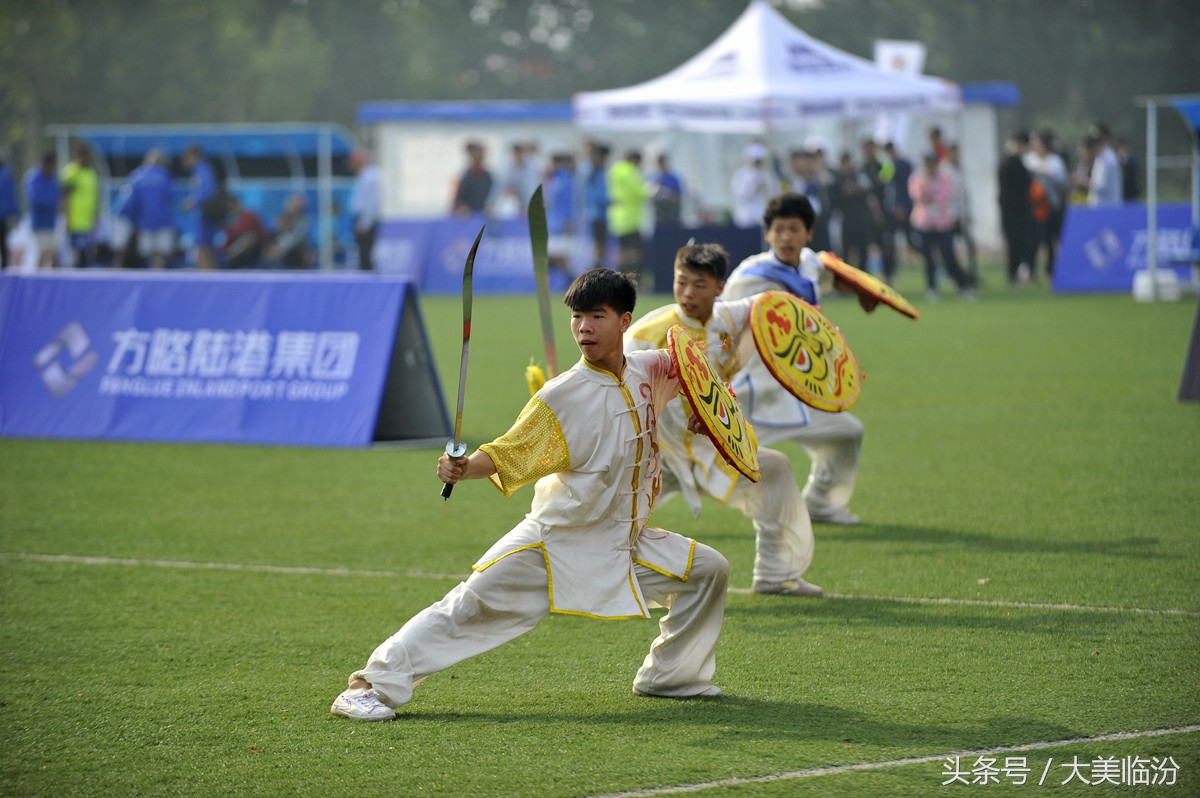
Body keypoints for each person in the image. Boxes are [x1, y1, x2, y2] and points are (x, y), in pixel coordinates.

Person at [330, 268, 729, 721]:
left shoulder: (650, 366)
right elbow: (509, 453)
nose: (584, 328)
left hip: (623, 542)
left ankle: (671, 676)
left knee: (708, 571)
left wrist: (704, 411)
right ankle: (370, 685)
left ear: (624, 321)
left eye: (597, 316)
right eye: (577, 317)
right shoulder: (562, 394)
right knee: (468, 606)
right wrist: (462, 468)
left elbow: (699, 376)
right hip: (557, 540)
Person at [626, 242, 822, 596]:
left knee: (773, 469)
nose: (687, 293)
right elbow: (611, 380)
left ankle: (775, 575)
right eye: (681, 281)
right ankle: (571, 575)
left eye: (699, 285)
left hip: (711, 449)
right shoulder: (645, 333)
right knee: (610, 519)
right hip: (653, 452)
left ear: (720, 287)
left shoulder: (730, 317)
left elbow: (771, 305)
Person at [722, 193, 869, 526]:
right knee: (693, 459)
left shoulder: (808, 264)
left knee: (847, 433)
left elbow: (827, 276)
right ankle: (629, 512)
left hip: (800, 388)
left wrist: (861, 291)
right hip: (751, 392)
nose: (786, 236)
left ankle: (819, 502)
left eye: (794, 229)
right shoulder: (751, 276)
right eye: (778, 229)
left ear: (808, 233)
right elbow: (719, 324)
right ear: (768, 234)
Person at [910, 151, 974, 301]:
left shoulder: (945, 178)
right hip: (923, 223)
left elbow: (945, 197)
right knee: (928, 259)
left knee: (949, 256)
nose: (931, 167)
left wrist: (930, 195)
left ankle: (963, 286)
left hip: (942, 223)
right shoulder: (918, 178)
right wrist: (925, 187)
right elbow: (917, 196)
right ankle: (932, 288)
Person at [114, 149, 175, 270]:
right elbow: (171, 196)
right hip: (162, 221)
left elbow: (128, 201)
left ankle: (150, 276)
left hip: (144, 221)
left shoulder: (138, 175)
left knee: (146, 253)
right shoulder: (165, 175)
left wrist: (129, 218)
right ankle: (158, 274)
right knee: (161, 253)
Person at [1023, 129, 1069, 281]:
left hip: (1051, 207)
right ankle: (1031, 270)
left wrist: (1044, 173)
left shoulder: (1055, 161)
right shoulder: (1028, 159)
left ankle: (1051, 270)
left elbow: (1063, 181)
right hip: (1033, 207)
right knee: (1033, 241)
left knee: (1050, 241)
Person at [607, 149, 651, 282]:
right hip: (630, 219)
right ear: (635, 160)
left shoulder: (614, 171)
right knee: (634, 252)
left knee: (621, 250)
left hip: (616, 218)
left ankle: (618, 278)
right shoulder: (631, 173)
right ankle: (630, 279)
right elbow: (641, 193)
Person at [997, 133, 1035, 285]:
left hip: (1009, 208)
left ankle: (1017, 272)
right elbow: (1026, 183)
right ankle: (1014, 273)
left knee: (1016, 243)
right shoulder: (1013, 162)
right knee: (1016, 243)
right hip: (1015, 210)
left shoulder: (1004, 161)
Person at [829, 151, 875, 271]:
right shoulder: (837, 179)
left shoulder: (860, 175)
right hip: (847, 219)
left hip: (862, 219)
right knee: (846, 251)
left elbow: (867, 188)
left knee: (863, 251)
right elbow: (839, 195)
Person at [58, 144, 100, 268]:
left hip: (88, 222)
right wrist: (66, 217)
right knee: (73, 254)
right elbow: (64, 196)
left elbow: (94, 196)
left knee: (87, 255)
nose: (85, 159)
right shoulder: (70, 173)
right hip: (74, 221)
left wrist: (96, 215)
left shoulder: (91, 173)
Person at [181, 144, 220, 271]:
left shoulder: (202, 170)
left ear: (194, 156)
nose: (184, 162)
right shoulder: (203, 170)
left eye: (187, 158)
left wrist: (192, 202)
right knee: (205, 248)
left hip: (205, 215)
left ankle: (208, 280)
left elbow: (208, 191)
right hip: (205, 214)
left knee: (203, 248)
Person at [944, 143, 978, 286]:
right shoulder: (945, 171)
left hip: (962, 214)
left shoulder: (960, 170)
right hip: (950, 216)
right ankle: (953, 275)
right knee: (948, 249)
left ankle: (970, 274)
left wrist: (968, 213)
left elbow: (965, 194)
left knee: (970, 245)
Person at [24, 150, 60, 270]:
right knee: (41, 254)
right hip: (39, 224)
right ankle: (37, 283)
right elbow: (36, 200)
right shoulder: (33, 178)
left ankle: (53, 282)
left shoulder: (52, 178)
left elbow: (57, 196)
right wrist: (51, 200)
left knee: (54, 254)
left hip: (51, 223)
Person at [544, 152, 577, 275]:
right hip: (553, 222)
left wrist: (568, 218)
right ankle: (571, 278)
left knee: (557, 256)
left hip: (562, 222)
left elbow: (569, 201)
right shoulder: (553, 179)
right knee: (553, 257)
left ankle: (575, 278)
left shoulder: (565, 179)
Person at [348, 149, 381, 271]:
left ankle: (368, 283)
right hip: (363, 218)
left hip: (366, 220)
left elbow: (371, 202)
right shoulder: (364, 176)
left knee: (365, 254)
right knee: (363, 255)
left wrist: (365, 223)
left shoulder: (370, 177)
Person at [730, 142, 773, 228]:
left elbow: (773, 193)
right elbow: (737, 194)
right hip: (745, 216)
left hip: (761, 216)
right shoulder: (740, 174)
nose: (757, 163)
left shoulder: (767, 174)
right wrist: (753, 189)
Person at [582, 140, 610, 268]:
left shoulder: (601, 172)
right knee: (597, 245)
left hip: (600, 214)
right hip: (595, 214)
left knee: (600, 245)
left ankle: (597, 268)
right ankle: (596, 269)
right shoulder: (592, 172)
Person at [221, 195, 268, 269]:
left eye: (233, 206)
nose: (231, 210)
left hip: (255, 252)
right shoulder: (227, 221)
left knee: (248, 238)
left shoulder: (249, 217)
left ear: (238, 204)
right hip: (232, 253)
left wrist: (231, 253)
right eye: (229, 208)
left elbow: (249, 237)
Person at [267, 194, 313, 270]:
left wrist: (281, 249)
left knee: (292, 252)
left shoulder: (305, 221)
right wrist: (275, 247)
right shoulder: (284, 217)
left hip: (298, 250)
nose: (293, 206)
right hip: (281, 247)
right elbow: (278, 233)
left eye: (296, 204)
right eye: (292, 203)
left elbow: (296, 238)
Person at [451, 140, 493, 217]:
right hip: (467, 217)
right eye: (475, 153)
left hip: (483, 217)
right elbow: (459, 199)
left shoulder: (488, 177)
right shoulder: (464, 176)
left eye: (480, 153)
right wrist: (462, 208)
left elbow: (492, 197)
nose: (478, 155)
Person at [1086, 123, 1123, 207]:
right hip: (1102, 207)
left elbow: (1102, 187)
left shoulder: (1108, 159)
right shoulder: (1102, 157)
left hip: (1106, 208)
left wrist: (1084, 183)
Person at [651, 153, 684, 226]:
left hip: (672, 214)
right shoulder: (655, 179)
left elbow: (679, 197)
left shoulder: (673, 179)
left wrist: (668, 195)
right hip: (660, 215)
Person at [0, 147, 19, 270]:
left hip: (3, 215)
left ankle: (5, 269)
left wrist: (16, 213)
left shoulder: (6, 173)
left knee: (3, 243)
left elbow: (12, 195)